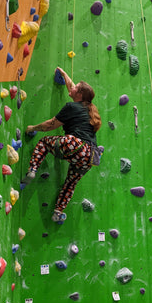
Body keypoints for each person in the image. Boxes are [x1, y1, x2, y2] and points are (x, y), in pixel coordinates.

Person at [23, 67, 102, 223]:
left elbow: (50, 125)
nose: (71, 88)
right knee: (70, 184)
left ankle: (32, 169)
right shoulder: (88, 108)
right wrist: (64, 75)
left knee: (44, 143)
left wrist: (32, 128)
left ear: (79, 95)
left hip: (76, 144)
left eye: (75, 88)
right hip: (90, 156)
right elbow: (74, 88)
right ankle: (58, 213)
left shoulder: (71, 107)